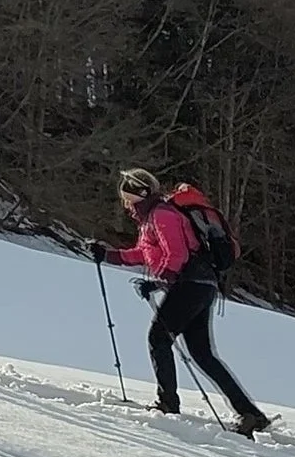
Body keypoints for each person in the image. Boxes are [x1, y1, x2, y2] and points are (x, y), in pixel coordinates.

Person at [95, 167, 271, 434]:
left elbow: (176, 254)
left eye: (128, 198)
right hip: (201, 285)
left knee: (158, 338)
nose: (126, 204)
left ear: (140, 194)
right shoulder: (153, 218)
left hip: (190, 284)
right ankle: (250, 413)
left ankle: (168, 403)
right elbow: (143, 254)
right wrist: (107, 255)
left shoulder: (162, 215)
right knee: (202, 354)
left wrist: (159, 281)